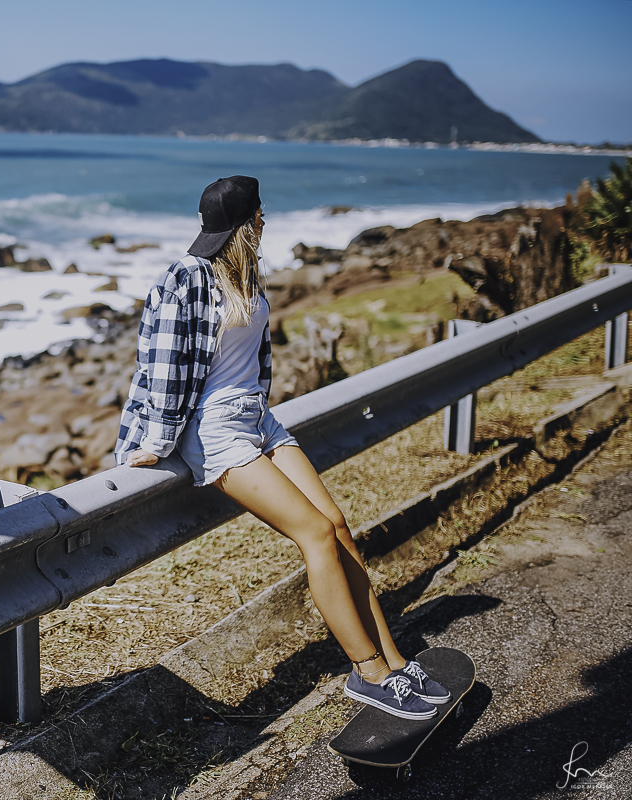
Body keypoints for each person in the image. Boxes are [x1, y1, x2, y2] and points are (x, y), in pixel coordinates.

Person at [114, 176, 449, 720]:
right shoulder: (185, 277)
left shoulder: (248, 274)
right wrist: (155, 440)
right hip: (216, 431)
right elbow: (162, 364)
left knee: (338, 525)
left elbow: (253, 360)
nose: (266, 219)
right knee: (313, 533)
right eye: (261, 213)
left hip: (258, 417)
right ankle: (368, 674)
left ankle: (394, 660)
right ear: (252, 222)